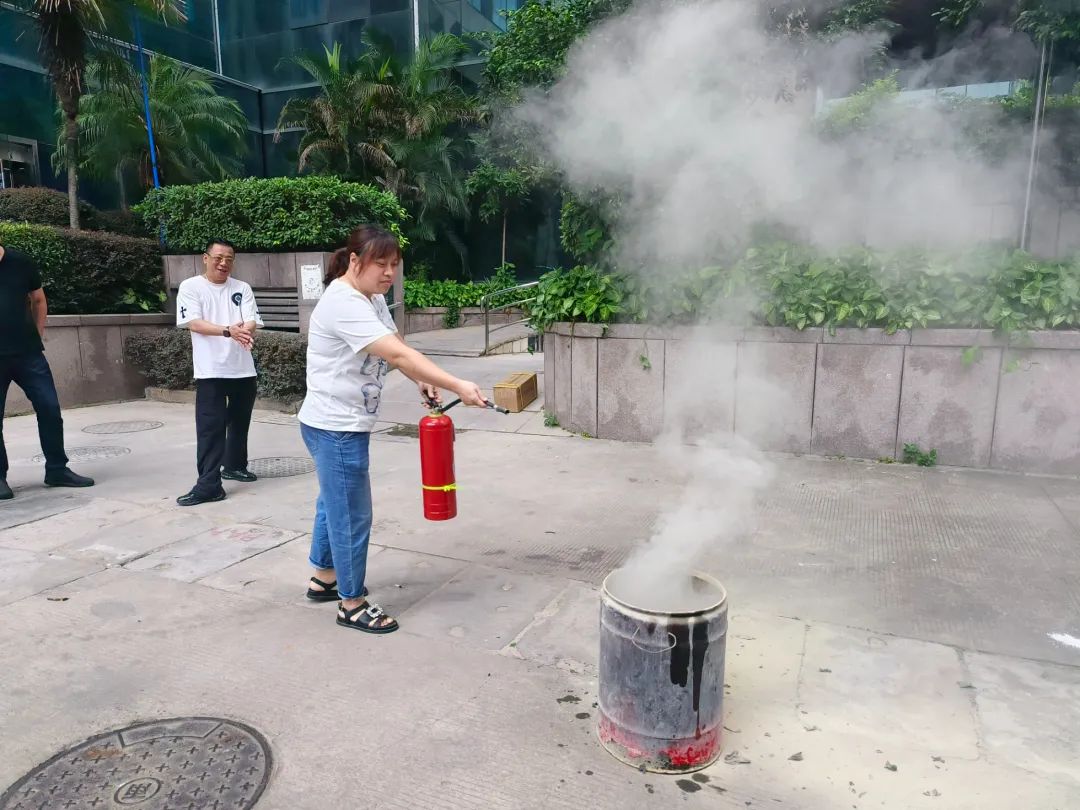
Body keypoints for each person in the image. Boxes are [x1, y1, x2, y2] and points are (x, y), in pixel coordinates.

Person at [299, 224, 486, 634]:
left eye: (394, 264)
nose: (388, 273)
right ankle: (351, 603)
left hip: (335, 422)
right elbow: (398, 354)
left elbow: (396, 346)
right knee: (351, 514)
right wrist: (458, 384)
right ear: (354, 261)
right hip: (335, 426)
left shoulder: (372, 297)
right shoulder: (343, 302)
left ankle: (324, 579)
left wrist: (422, 380)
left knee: (333, 503)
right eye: (380, 264)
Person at [0, 243, 95, 500]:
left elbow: (39, 300)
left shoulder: (20, 262)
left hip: (28, 354)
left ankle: (57, 470)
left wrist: (37, 334)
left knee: (50, 408)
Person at [175, 239, 264, 507]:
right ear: (205, 258)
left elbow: (252, 319)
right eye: (218, 258)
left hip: (242, 368)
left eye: (229, 259)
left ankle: (234, 466)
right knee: (210, 429)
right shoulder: (191, 287)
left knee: (239, 422)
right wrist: (228, 331)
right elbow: (194, 323)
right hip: (211, 371)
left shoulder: (242, 288)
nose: (224, 263)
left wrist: (244, 330)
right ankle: (209, 485)